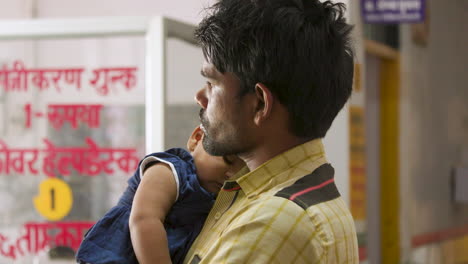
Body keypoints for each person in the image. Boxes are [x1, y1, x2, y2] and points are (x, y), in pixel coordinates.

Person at [184, 0, 359, 263]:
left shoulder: (270, 225)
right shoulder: (301, 193)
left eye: (212, 83)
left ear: (259, 103)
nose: (200, 96)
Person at [75, 126, 245, 264]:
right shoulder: (170, 170)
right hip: (122, 252)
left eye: (243, 169)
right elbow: (144, 219)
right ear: (197, 138)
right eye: (228, 159)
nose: (232, 174)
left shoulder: (223, 196)